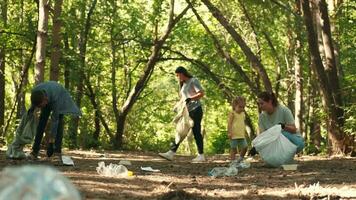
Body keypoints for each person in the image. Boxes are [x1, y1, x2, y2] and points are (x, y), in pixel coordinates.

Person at [159, 66, 205, 162]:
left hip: (195, 110)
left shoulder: (193, 81)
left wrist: (191, 98)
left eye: (178, 75)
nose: (177, 77)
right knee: (180, 130)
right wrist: (177, 106)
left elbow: (201, 93)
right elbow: (184, 97)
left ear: (183, 73)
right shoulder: (183, 84)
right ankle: (171, 153)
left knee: (196, 132)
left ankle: (201, 155)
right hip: (186, 111)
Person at [28, 81, 81, 160]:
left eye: (41, 105)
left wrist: (51, 143)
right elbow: (34, 103)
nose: (41, 107)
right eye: (39, 106)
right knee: (41, 123)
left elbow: (54, 121)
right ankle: (35, 151)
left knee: (59, 123)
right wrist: (31, 110)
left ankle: (57, 152)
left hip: (59, 95)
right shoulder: (35, 92)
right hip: (48, 94)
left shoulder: (55, 100)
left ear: (45, 99)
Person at [227, 96, 248, 165]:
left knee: (245, 147)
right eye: (240, 107)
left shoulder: (243, 114)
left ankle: (240, 159)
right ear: (234, 106)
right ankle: (233, 162)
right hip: (234, 135)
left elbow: (242, 123)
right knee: (233, 149)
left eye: (243, 107)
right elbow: (229, 124)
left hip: (241, 134)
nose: (242, 109)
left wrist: (245, 132)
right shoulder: (232, 114)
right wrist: (229, 132)